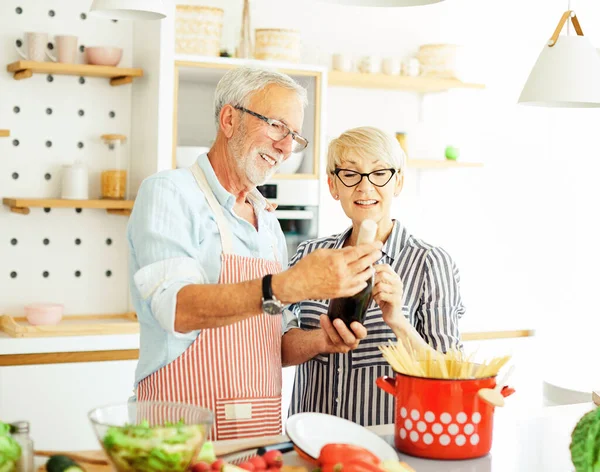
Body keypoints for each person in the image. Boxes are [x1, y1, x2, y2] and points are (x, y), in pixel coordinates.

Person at [126, 67, 382, 440]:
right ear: (229, 119)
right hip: (180, 434)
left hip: (257, 436)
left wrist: (323, 341)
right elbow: (177, 308)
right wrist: (289, 285)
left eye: (294, 135)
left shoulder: (268, 223)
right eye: (277, 126)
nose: (286, 146)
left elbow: (270, 343)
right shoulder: (170, 193)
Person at [284, 126, 466, 426]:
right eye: (350, 174)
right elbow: (273, 351)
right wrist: (320, 340)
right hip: (309, 439)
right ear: (333, 185)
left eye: (380, 173)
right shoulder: (309, 256)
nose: (365, 187)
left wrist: (398, 320)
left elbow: (450, 376)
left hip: (387, 446)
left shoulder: (430, 262)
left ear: (398, 182)